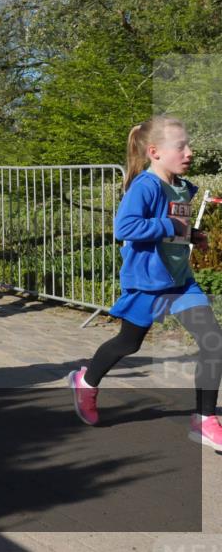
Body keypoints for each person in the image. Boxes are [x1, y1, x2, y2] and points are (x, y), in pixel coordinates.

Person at [68, 116, 221, 450]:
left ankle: (205, 419)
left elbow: (171, 230)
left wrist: (191, 234)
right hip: (147, 285)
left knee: (213, 342)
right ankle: (86, 380)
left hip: (180, 283)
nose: (189, 152)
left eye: (188, 144)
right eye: (180, 146)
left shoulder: (179, 185)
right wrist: (169, 225)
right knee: (127, 344)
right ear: (154, 151)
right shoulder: (146, 186)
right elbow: (126, 228)